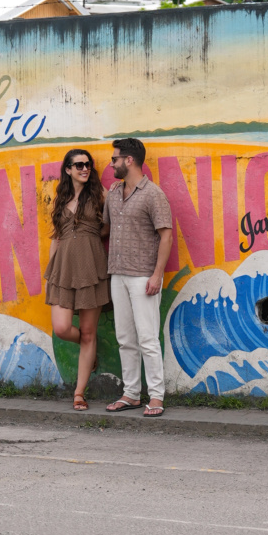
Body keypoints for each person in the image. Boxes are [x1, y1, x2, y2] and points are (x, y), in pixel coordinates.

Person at [103, 138, 173, 417]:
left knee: (147, 338)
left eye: (115, 159)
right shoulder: (113, 192)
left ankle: (156, 396)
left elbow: (166, 235)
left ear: (129, 160)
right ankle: (131, 394)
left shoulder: (154, 194)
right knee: (125, 338)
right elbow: (106, 229)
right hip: (117, 274)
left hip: (143, 276)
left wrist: (157, 275)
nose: (111, 164)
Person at [43, 148, 110, 411]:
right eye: (79, 165)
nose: (85, 169)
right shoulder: (60, 199)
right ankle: (88, 350)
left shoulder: (100, 195)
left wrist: (92, 235)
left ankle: (79, 393)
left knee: (89, 332)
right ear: (68, 169)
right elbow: (56, 237)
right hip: (63, 269)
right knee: (62, 328)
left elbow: (108, 226)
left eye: (88, 165)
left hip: (91, 267)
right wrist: (51, 270)